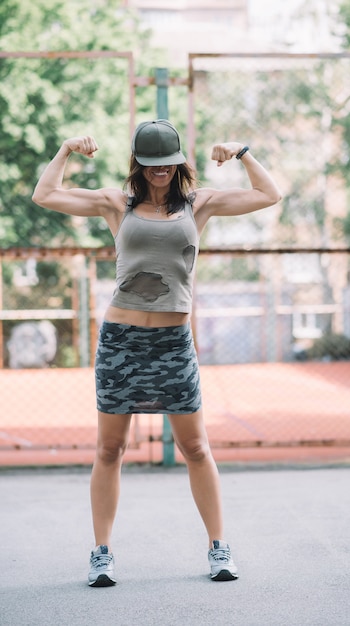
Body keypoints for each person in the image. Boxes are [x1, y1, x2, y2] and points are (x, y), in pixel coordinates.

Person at [32, 119, 281, 587]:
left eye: (166, 163)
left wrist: (242, 152)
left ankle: (218, 547)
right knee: (110, 448)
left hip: (172, 343)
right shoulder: (116, 203)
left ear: (178, 162)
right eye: (150, 165)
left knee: (195, 446)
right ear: (138, 165)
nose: (159, 171)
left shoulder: (198, 203)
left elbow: (269, 195)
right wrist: (65, 149)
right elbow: (46, 195)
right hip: (121, 341)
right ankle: (101, 552)